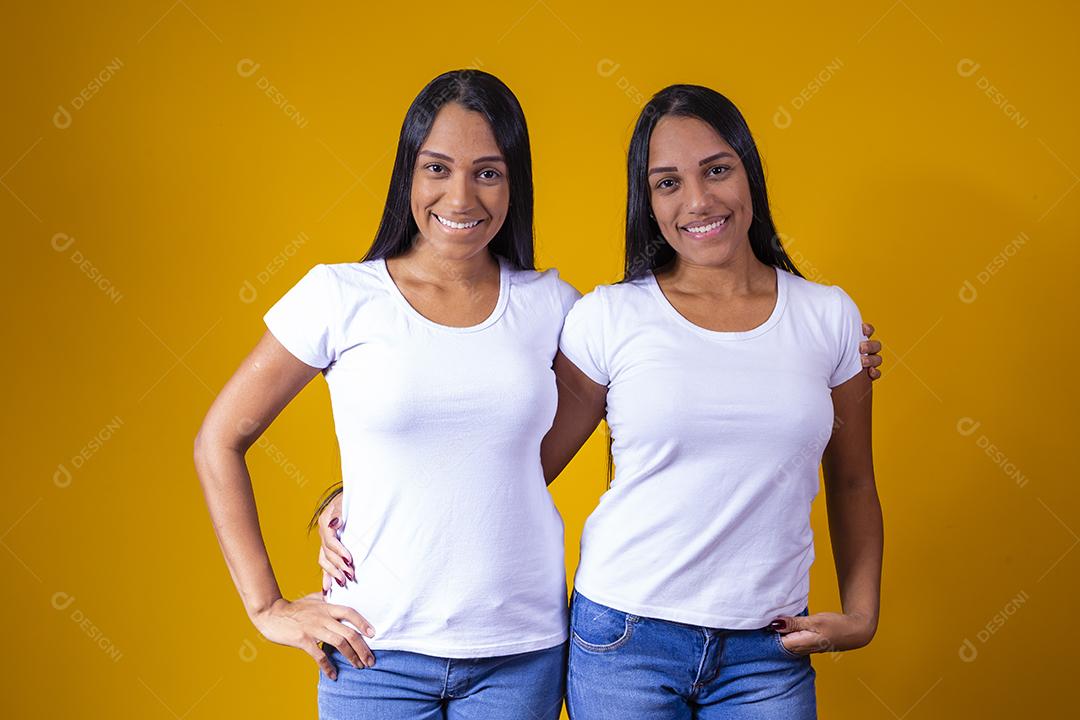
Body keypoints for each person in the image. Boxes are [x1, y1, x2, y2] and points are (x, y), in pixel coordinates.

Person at [314, 83, 883, 719]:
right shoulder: (607, 317)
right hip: (626, 638)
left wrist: (862, 614)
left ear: (749, 171)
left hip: (768, 646)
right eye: (667, 182)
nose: (697, 199)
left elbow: (854, 481)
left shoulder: (829, 319)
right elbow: (511, 457)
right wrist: (354, 501)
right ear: (648, 200)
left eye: (717, 169)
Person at [194, 69, 574, 720]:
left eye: (488, 172)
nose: (460, 195)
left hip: (522, 651)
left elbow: (514, 466)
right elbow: (219, 440)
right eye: (437, 168)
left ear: (515, 182)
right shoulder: (340, 297)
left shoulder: (553, 306)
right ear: (408, 174)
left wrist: (371, 497)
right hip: (375, 653)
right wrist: (267, 606)